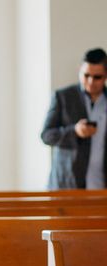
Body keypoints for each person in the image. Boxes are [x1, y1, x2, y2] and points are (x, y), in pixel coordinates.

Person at [41, 47, 107, 189]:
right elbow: (46, 135)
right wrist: (74, 132)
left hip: (101, 187)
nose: (90, 81)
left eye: (97, 77)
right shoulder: (63, 97)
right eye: (86, 75)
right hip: (68, 186)